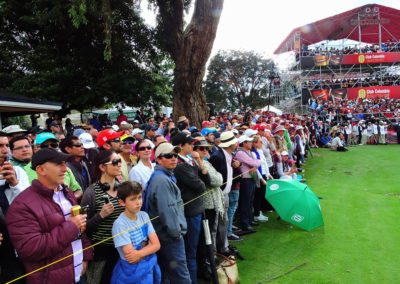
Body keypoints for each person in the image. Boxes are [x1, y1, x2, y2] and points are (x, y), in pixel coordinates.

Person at [6, 148, 93, 283]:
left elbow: (81, 228)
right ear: (41, 170)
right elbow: (31, 249)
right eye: (59, 164)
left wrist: (86, 256)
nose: (65, 169)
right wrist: (71, 226)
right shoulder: (22, 205)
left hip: (77, 274)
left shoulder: (67, 192)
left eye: (65, 163)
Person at [145, 143, 191, 283]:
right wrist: (175, 233)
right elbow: (167, 211)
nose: (173, 158)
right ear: (158, 159)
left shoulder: (162, 177)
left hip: (163, 235)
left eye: (175, 155)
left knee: (167, 274)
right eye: (169, 156)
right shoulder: (162, 180)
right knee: (181, 276)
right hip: (169, 237)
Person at [81, 150, 124, 284]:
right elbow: (82, 227)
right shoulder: (91, 192)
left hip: (123, 248)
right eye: (115, 162)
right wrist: (100, 216)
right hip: (102, 252)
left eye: (120, 161)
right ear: (102, 167)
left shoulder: (123, 188)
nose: (119, 165)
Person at [172, 132, 210, 284]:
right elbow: (200, 186)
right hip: (190, 211)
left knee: (197, 248)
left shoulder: (190, 161)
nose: (193, 146)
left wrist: (199, 161)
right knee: (190, 252)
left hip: (197, 209)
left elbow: (206, 179)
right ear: (181, 146)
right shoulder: (180, 165)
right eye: (190, 144)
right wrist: (199, 176)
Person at [111, 181, 161, 284]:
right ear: (122, 202)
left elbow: (157, 244)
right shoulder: (120, 224)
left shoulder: (144, 215)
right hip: (130, 272)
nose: (138, 202)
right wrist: (149, 247)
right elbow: (131, 257)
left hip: (147, 268)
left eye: (139, 197)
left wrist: (139, 253)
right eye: (133, 199)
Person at [0, 133, 29, 283]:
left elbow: (29, 203)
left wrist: (14, 183)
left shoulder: (18, 172)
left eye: (6, 146)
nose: (5, 151)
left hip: (17, 239)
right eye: (0, 146)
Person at [24, 132, 83, 200]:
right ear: (35, 149)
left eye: (53, 145)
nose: (50, 148)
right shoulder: (24, 172)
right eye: (44, 146)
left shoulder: (65, 169)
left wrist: (66, 201)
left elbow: (78, 190)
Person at [209, 131, 241, 243]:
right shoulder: (217, 156)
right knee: (217, 224)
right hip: (219, 194)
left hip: (225, 193)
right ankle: (219, 248)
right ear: (231, 145)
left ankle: (224, 246)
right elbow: (213, 178)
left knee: (224, 222)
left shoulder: (229, 156)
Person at [235, 135, 261, 234]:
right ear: (244, 143)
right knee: (245, 202)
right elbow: (253, 162)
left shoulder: (249, 152)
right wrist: (256, 163)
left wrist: (256, 163)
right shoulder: (241, 152)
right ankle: (245, 224)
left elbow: (257, 162)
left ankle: (249, 220)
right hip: (245, 180)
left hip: (251, 179)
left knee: (250, 201)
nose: (251, 143)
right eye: (249, 142)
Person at [251, 135, 273, 222]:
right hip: (259, 176)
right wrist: (261, 179)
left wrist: (268, 174)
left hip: (264, 174)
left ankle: (259, 212)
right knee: (258, 195)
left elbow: (264, 164)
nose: (262, 143)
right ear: (255, 143)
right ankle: (257, 214)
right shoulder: (253, 153)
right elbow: (256, 168)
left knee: (262, 195)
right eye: (260, 141)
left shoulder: (260, 151)